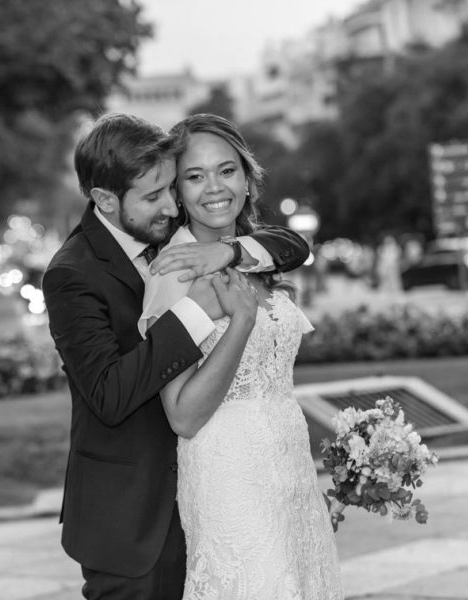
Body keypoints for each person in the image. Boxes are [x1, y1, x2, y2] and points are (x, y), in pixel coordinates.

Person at [42, 112, 310, 599]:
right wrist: (196, 313)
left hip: (228, 488)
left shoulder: (171, 234)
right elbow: (109, 393)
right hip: (133, 515)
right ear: (105, 200)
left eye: (171, 188)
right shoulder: (72, 275)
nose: (170, 207)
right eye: (154, 196)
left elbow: (291, 244)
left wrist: (230, 253)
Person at [140, 114, 343, 599]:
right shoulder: (176, 269)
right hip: (229, 476)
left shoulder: (255, 256)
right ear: (178, 192)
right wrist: (241, 324)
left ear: (247, 179)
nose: (214, 187)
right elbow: (183, 416)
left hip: (289, 469)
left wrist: (231, 253)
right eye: (195, 176)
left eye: (226, 171)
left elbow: (296, 246)